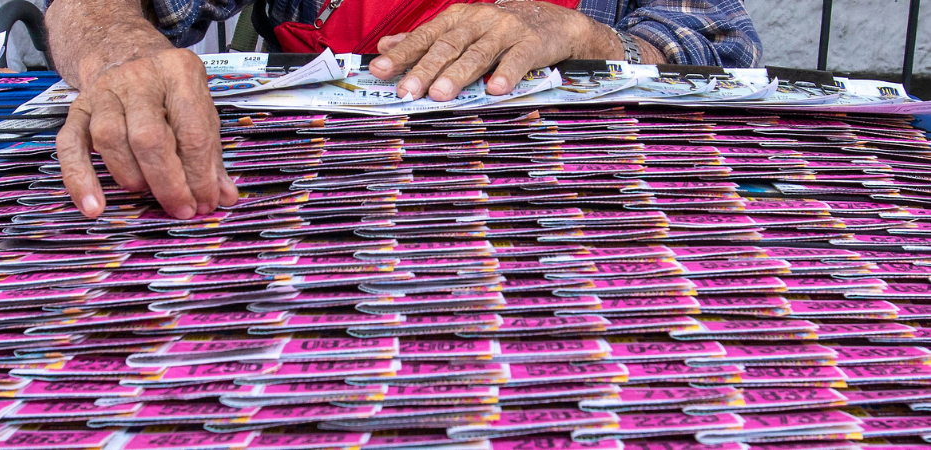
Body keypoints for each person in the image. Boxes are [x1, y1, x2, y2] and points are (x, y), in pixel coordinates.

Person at [46, 0, 762, 219]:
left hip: (565, 199)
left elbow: (723, 39)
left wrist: (588, 37)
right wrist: (114, 51)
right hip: (315, 204)